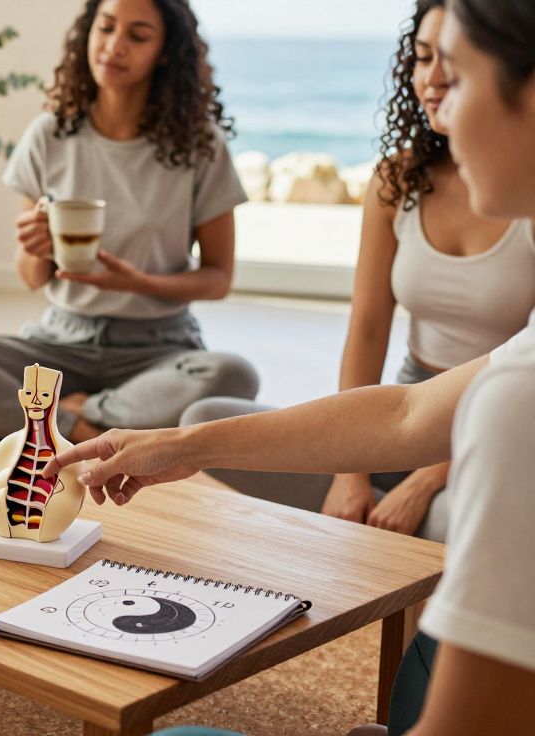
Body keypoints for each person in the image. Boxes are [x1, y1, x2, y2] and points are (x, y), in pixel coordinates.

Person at [46, 2, 535, 733]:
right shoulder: (515, 370)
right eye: (428, 65)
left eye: (460, 77)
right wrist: (181, 445)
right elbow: (406, 411)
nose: (441, 102)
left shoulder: (515, 402)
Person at [178, 0, 535, 543]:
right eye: (423, 58)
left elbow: (507, 396)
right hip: (406, 409)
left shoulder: (519, 198)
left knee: (469, 511)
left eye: (455, 64)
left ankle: (422, 528)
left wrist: (425, 482)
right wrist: (351, 473)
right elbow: (370, 331)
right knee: (203, 419)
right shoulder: (397, 180)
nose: (434, 79)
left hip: (493, 426)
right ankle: (409, 532)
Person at [0, 0, 258, 448]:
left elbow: (218, 278)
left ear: (166, 52)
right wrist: (36, 246)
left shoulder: (201, 145)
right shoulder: (49, 135)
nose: (114, 46)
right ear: (88, 33)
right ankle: (80, 426)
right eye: (106, 28)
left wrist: (139, 283)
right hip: (60, 342)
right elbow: (31, 277)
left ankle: (43, 417)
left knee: (234, 375)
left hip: (158, 349)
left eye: (137, 36)